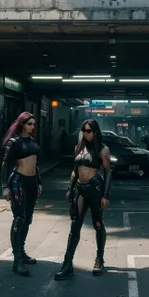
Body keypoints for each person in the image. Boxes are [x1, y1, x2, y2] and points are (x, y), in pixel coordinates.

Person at [55, 119, 112, 281]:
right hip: (80, 188)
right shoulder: (78, 148)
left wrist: (106, 195)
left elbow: (108, 173)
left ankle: (99, 259)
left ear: (95, 132)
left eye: (88, 131)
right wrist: (70, 189)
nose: (85, 133)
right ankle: (67, 264)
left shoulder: (102, 149)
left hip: (95, 188)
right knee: (75, 225)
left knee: (97, 224)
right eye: (83, 131)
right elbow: (75, 170)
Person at [0, 112, 42, 277]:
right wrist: (5, 187)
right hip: (18, 181)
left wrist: (39, 182)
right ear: (22, 124)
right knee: (19, 218)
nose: (32, 127)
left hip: (32, 182)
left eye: (33, 124)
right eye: (29, 124)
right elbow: (5, 164)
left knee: (28, 219)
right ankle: (17, 260)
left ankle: (22, 253)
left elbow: (35, 164)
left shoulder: (32, 142)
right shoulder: (14, 142)